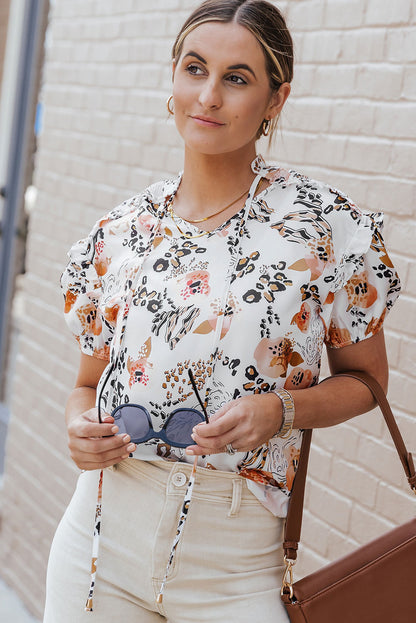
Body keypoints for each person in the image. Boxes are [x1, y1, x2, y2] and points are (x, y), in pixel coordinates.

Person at [43, 1, 400, 621]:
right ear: (173, 79)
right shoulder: (121, 233)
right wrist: (80, 432)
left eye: (236, 78)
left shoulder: (324, 230)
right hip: (98, 547)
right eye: (194, 68)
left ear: (275, 101)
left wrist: (282, 409)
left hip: (235, 566)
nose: (208, 95)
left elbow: (368, 382)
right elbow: (84, 386)